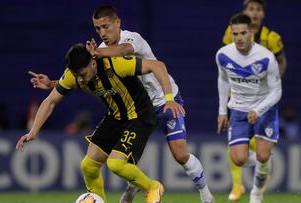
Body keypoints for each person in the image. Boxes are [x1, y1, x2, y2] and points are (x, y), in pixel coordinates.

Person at [29, 5, 214, 203]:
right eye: (97, 29)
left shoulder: (130, 39)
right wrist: (53, 84)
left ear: (118, 23)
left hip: (163, 100)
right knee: (116, 160)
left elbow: (124, 51)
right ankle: (133, 185)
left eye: (106, 27)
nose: (102, 32)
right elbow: (83, 76)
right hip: (133, 107)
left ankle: (206, 195)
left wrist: (169, 99)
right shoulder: (97, 53)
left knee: (180, 154)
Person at [16, 43, 185, 203]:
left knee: (116, 163)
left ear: (93, 64)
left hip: (139, 116)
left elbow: (158, 66)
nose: (80, 80)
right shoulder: (73, 75)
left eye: (82, 74)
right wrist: (33, 132)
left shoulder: (115, 64)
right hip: (116, 117)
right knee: (88, 166)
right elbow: (50, 101)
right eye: (76, 76)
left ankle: (153, 187)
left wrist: (169, 99)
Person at [221, 0, 287, 200]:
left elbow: (281, 62)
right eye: (251, 8)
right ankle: (237, 185)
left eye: (258, 9)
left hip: (264, 101)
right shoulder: (230, 32)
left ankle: (261, 169)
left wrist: (272, 83)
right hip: (239, 101)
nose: (254, 12)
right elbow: (226, 64)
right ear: (245, 11)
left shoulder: (272, 39)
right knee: (237, 151)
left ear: (263, 14)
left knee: (261, 152)